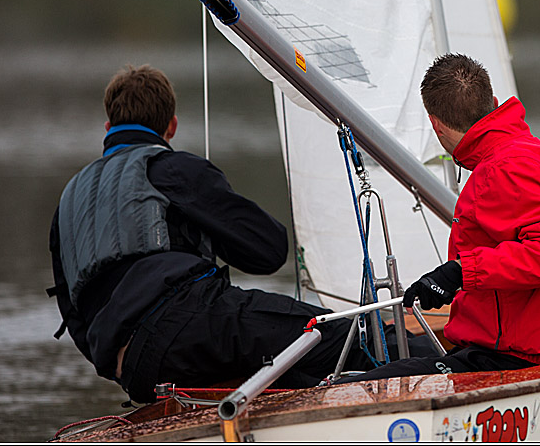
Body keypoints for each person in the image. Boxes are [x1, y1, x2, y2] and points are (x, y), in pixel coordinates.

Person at [48, 65, 408, 404]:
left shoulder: (66, 202)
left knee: (285, 373)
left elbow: (73, 314)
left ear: (108, 126)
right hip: (188, 324)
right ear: (170, 127)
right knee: (342, 340)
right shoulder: (171, 169)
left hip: (130, 368)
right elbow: (268, 251)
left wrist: (119, 365)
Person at [335, 53, 540, 382]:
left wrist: (459, 272)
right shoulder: (527, 151)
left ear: (436, 125)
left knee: (358, 384)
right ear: (492, 101)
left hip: (521, 357)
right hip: (536, 345)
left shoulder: (507, 167)